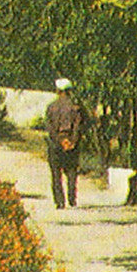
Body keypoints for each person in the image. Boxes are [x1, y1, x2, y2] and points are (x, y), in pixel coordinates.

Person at [45, 77, 88, 208]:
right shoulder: (76, 108)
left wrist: (60, 141)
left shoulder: (51, 107)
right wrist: (72, 141)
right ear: (69, 91)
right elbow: (78, 126)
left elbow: (50, 128)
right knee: (71, 171)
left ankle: (59, 201)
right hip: (71, 141)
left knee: (56, 173)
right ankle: (72, 199)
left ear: (58, 91)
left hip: (56, 143)